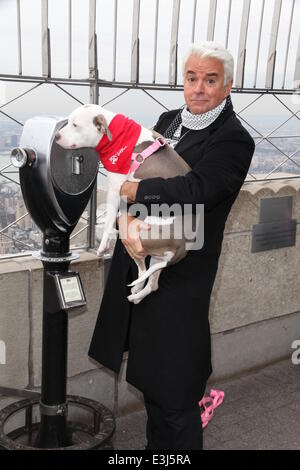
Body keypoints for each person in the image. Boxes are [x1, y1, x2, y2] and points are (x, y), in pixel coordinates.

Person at [88, 41, 255, 450]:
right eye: (192, 77)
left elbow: (197, 190)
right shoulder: (168, 120)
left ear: (228, 86)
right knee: (152, 384)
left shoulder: (234, 139)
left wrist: (133, 190)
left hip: (184, 275)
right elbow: (133, 167)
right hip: (142, 264)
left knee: (176, 393)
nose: (199, 88)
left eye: (210, 80)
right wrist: (126, 216)